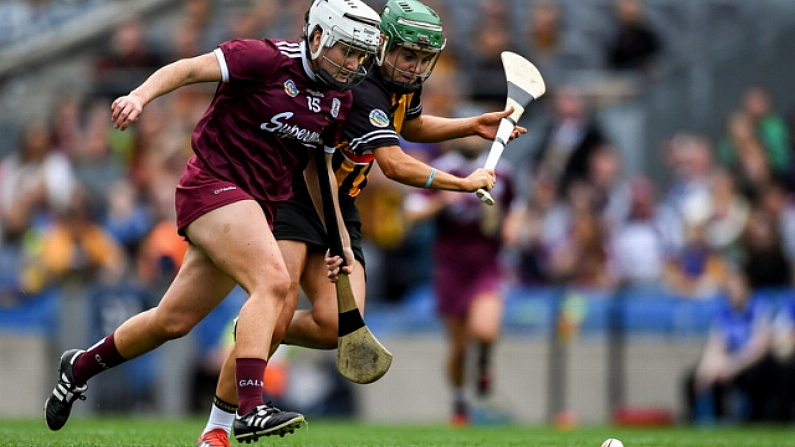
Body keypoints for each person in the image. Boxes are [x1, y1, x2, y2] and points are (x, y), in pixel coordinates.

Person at [44, 0, 384, 444]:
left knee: (172, 320)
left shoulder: (339, 100)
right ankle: (249, 407)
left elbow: (316, 172)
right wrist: (139, 96)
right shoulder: (263, 58)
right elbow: (186, 69)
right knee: (275, 283)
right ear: (317, 37)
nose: (353, 64)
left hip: (258, 208)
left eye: (361, 56)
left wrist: (336, 236)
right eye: (347, 51)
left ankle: (81, 365)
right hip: (212, 184)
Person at [195, 1, 521, 445]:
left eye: (425, 60)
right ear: (383, 44)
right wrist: (462, 183)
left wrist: (470, 125)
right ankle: (218, 428)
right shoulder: (362, 85)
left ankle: (259, 318)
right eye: (408, 56)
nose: (415, 67)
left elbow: (413, 125)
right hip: (294, 194)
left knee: (336, 325)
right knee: (279, 300)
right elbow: (395, 164)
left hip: (341, 205)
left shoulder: (400, 85)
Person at [403, 135, 515, 425]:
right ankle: (459, 399)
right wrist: (442, 199)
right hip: (450, 268)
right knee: (459, 345)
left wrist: (510, 226)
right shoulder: (441, 170)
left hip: (486, 265)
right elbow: (411, 212)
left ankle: (484, 364)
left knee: (485, 330)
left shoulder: (501, 172)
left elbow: (517, 208)